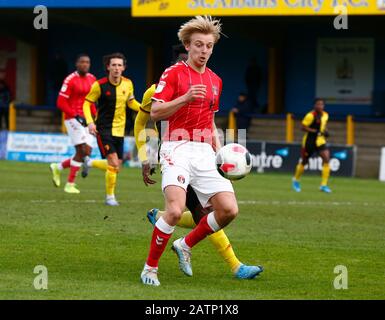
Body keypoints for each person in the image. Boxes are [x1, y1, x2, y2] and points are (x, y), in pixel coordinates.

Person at [140, 16, 262, 286]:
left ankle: (185, 244)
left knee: (229, 210)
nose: (204, 50)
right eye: (199, 45)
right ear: (188, 46)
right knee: (173, 211)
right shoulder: (173, 74)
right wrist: (184, 98)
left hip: (204, 151)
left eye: (209, 46)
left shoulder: (215, 81)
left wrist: (220, 153)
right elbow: (156, 113)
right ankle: (150, 268)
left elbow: (209, 121)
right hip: (176, 147)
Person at [83, 52, 140, 206]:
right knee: (113, 163)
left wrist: (143, 109)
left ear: (124, 68)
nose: (116, 68)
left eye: (119, 65)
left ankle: (89, 163)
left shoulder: (128, 83)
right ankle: (110, 198)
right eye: (113, 65)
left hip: (120, 131)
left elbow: (131, 102)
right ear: (108, 67)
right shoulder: (99, 85)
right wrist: (90, 122)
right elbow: (87, 103)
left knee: (117, 166)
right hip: (103, 129)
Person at [49, 54, 96, 194]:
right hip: (72, 118)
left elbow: (91, 101)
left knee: (87, 152)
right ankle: (70, 184)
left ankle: (58, 167)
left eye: (87, 62)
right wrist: (75, 115)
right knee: (81, 151)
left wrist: (95, 117)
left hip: (87, 119)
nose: (85, 64)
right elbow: (60, 102)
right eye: (82, 62)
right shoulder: (70, 80)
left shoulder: (92, 79)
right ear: (77, 64)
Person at [292, 98, 332, 193]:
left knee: (326, 159)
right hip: (309, 141)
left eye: (321, 104)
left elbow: (323, 125)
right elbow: (303, 127)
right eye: (318, 104)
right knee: (304, 162)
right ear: (314, 105)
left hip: (320, 141)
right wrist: (314, 131)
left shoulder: (325, 115)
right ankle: (296, 180)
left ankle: (323, 185)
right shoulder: (310, 115)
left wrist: (326, 131)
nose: (319, 106)